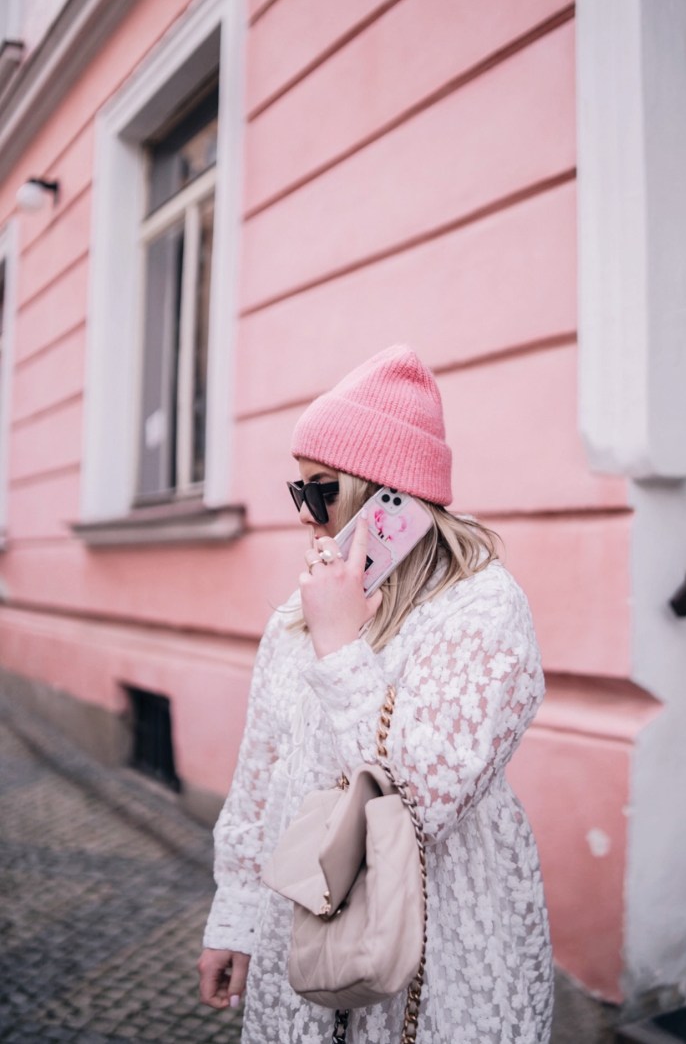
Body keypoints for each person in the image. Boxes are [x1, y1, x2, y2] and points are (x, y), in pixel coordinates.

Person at [198, 345, 553, 1042]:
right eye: (298, 491)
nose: (305, 515)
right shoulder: (296, 614)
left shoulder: (481, 607)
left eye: (320, 490)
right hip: (305, 929)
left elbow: (424, 802)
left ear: (385, 496)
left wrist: (341, 648)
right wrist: (233, 920)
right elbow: (260, 777)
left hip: (436, 949)